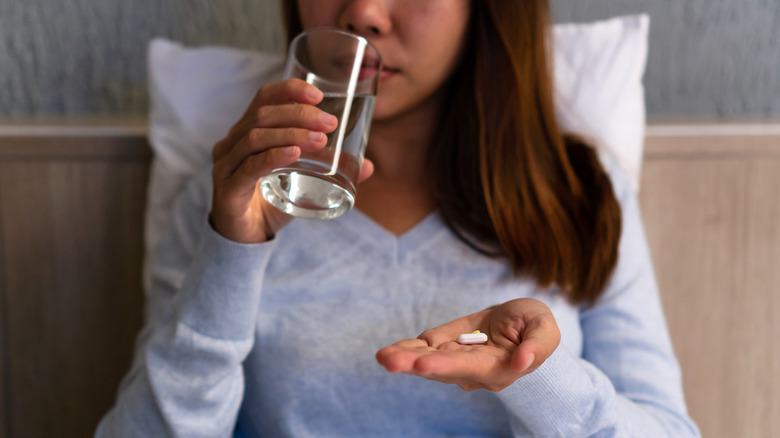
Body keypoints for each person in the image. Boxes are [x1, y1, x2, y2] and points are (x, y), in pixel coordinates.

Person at [98, 0, 700, 436]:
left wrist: (538, 376)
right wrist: (232, 252)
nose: (364, 13)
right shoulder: (231, 198)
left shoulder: (577, 196)